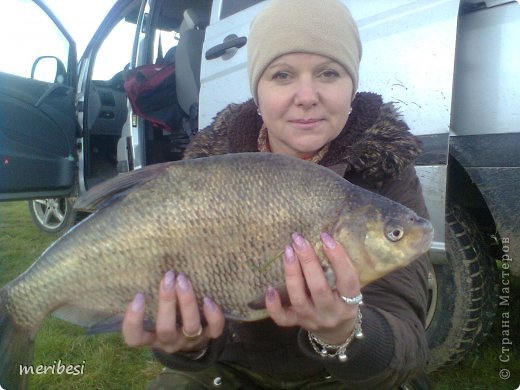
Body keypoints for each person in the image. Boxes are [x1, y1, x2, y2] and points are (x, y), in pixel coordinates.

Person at [122, 0, 431, 388]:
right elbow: (178, 328)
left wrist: (345, 333)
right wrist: (187, 344)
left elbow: (408, 343)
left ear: (352, 86)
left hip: (338, 376)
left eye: (329, 73)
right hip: (232, 372)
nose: (306, 95)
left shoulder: (386, 170)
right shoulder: (206, 174)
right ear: (258, 91)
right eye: (282, 75)